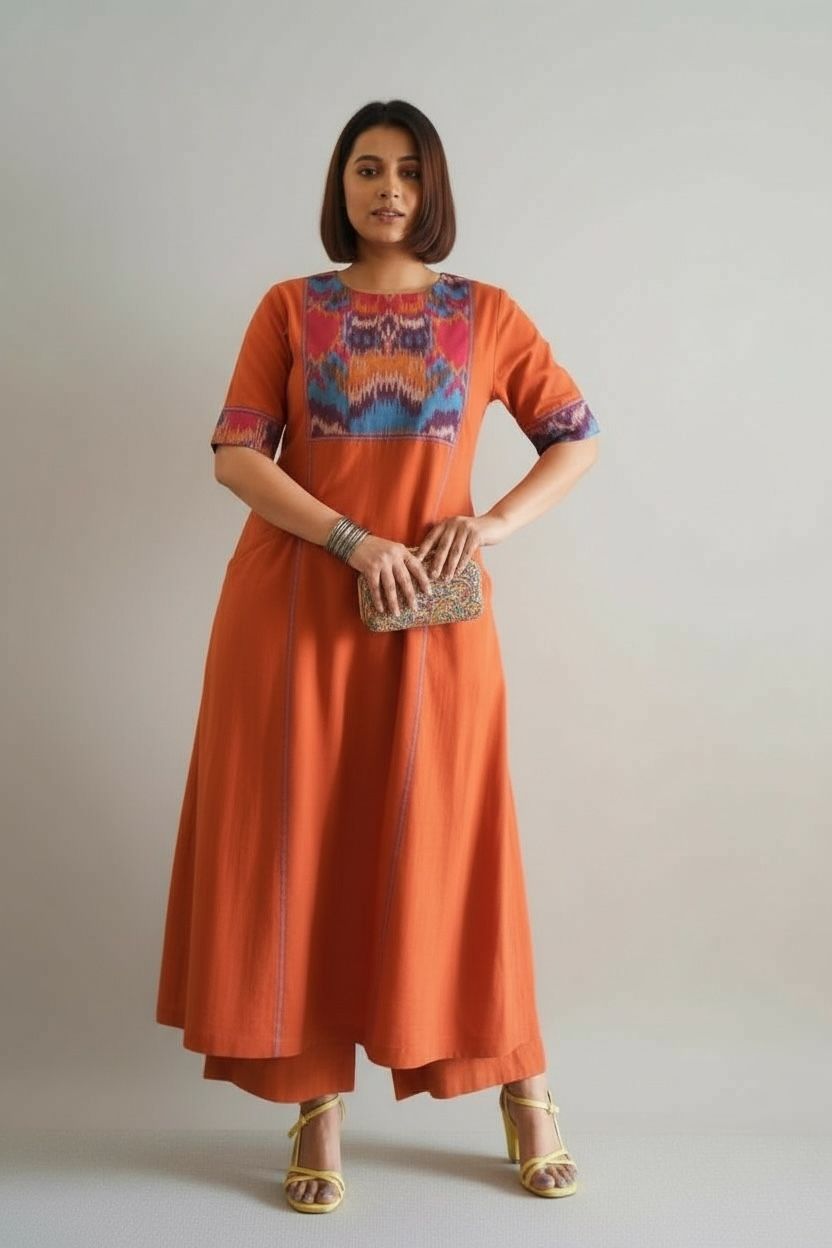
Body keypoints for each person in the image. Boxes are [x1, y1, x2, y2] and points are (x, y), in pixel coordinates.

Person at [155, 98, 600, 1214]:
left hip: (434, 620)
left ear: (432, 187)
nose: (387, 188)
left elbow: (575, 437)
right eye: (366, 167)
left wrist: (490, 525)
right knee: (300, 848)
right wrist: (352, 540)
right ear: (340, 184)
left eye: (407, 169)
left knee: (461, 846)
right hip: (294, 610)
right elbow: (237, 455)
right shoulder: (289, 309)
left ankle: (523, 1088)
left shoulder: (486, 313)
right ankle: (315, 1106)